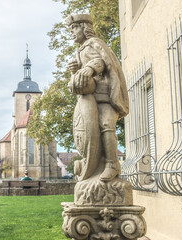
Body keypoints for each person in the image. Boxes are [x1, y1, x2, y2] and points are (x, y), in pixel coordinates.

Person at [66, 14, 129, 182]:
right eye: (70, 29)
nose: (72, 32)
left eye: (74, 28)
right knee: (94, 132)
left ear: (84, 27)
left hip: (105, 97)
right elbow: (82, 79)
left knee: (107, 125)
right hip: (91, 99)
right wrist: (75, 71)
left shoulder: (94, 44)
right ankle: (96, 164)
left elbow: (101, 61)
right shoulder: (80, 50)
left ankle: (112, 164)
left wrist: (89, 69)